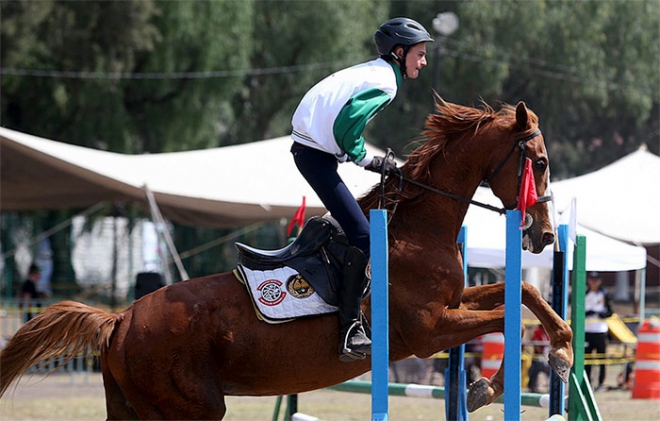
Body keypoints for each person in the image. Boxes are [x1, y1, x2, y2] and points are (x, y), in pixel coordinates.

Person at [290, 17, 433, 362]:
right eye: (420, 54)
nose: (424, 62)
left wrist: (364, 157)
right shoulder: (387, 83)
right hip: (315, 157)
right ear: (400, 53)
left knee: (357, 230)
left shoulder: (377, 72)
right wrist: (364, 159)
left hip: (315, 152)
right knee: (366, 238)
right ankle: (349, 329)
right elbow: (346, 125)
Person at [584, 271, 613, 391]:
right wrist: (588, 313)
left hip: (600, 330)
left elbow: (610, 311)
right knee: (587, 358)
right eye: (592, 280)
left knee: (601, 357)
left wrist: (603, 315)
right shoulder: (585, 293)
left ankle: (601, 383)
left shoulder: (604, 294)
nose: (594, 283)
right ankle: (587, 383)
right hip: (587, 330)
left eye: (596, 280)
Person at [527, 324, 551, 393]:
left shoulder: (547, 333)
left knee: (550, 371)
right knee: (536, 369)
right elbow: (536, 345)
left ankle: (550, 388)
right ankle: (532, 387)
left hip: (546, 357)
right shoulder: (538, 332)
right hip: (539, 357)